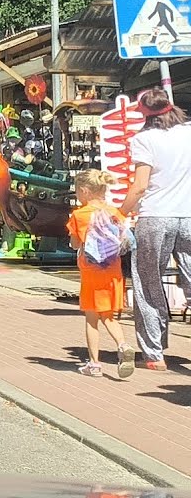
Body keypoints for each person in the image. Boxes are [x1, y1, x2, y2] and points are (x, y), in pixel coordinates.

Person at [118, 88, 191, 371]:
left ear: (144, 114)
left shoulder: (143, 140)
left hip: (155, 217)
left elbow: (140, 186)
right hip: (188, 215)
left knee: (148, 283)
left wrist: (119, 213)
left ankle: (154, 354)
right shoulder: (188, 132)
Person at [67, 170, 136, 378]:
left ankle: (94, 364)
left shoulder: (79, 215)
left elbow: (75, 243)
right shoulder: (114, 212)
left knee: (91, 319)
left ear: (85, 191)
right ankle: (123, 345)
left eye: (78, 191)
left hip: (91, 273)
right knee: (109, 316)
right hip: (113, 272)